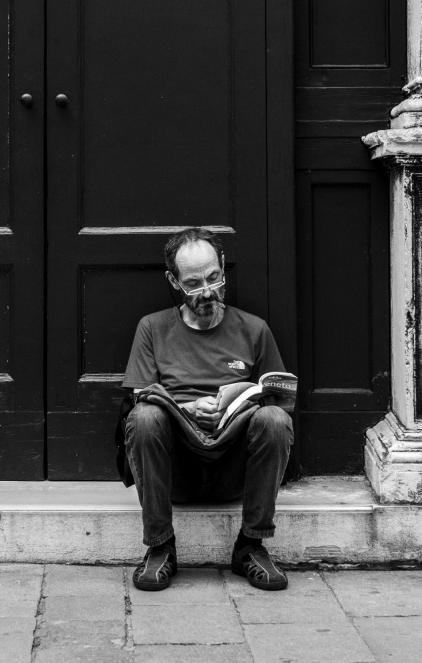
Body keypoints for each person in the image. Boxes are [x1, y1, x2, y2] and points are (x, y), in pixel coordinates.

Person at [122, 227, 294, 592]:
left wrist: (238, 403)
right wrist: (186, 408)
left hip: (235, 468)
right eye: (193, 283)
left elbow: (280, 398)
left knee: (275, 419)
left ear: (223, 271)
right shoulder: (152, 328)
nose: (207, 292)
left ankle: (251, 545)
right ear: (173, 280)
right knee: (145, 415)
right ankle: (159, 546)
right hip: (175, 470)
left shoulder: (254, 329)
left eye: (214, 279)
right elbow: (137, 400)